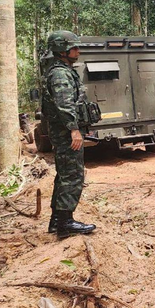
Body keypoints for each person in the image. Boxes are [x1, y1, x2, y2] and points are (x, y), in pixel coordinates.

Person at [41, 31, 97, 238]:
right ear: (62, 50)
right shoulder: (60, 74)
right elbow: (64, 105)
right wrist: (74, 129)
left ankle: (57, 221)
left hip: (65, 131)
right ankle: (65, 224)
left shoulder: (63, 71)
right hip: (66, 133)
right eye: (74, 47)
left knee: (65, 175)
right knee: (72, 176)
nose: (78, 51)